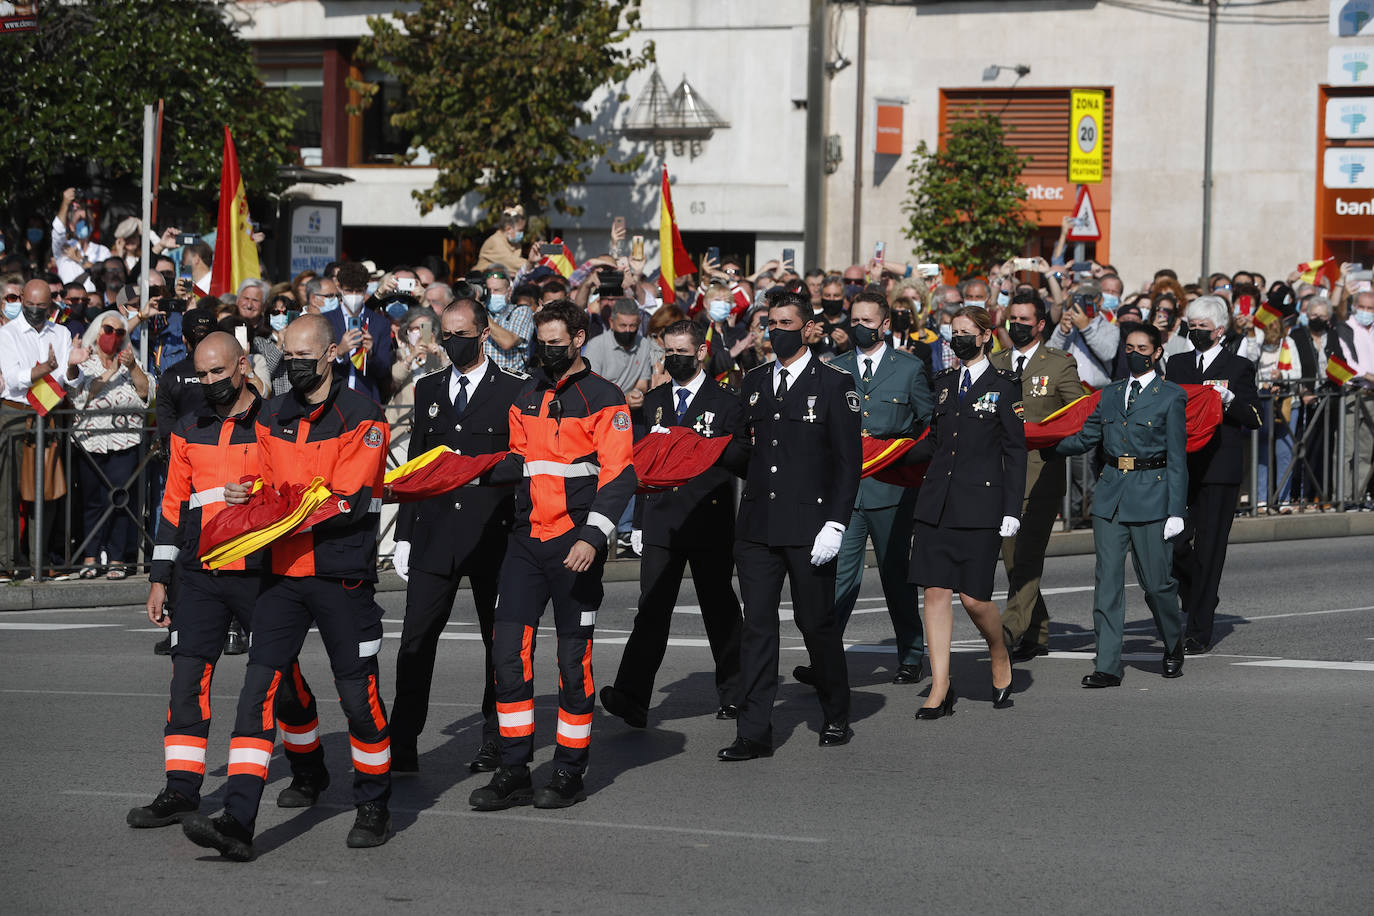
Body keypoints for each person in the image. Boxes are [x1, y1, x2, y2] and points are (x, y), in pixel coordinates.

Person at [181, 315, 393, 859]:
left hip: (341, 574)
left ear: (329, 355)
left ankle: (373, 803)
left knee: (357, 696)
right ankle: (237, 821)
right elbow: (270, 482)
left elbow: (344, 500)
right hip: (281, 575)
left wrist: (273, 505)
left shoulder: (363, 415)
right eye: (288, 355)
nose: (294, 364)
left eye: (304, 355)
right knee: (257, 694)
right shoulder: (272, 414)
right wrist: (245, 490)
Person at [128, 333, 324, 829]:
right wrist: (159, 578)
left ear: (241, 366)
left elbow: (299, 491)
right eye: (203, 374)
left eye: (219, 372)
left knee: (282, 681)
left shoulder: (276, 420)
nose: (210, 382)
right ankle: (180, 789)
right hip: (199, 574)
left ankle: (308, 767)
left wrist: (258, 491)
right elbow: (173, 506)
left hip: (261, 573)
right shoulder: (188, 427)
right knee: (187, 677)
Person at [468, 300, 635, 811]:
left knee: (571, 659)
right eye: (542, 342)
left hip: (575, 543)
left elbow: (619, 473)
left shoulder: (606, 398)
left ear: (580, 339)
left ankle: (567, 770)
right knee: (508, 656)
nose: (547, 351)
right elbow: (520, 461)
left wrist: (594, 536)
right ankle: (514, 768)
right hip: (525, 542)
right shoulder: (528, 392)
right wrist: (462, 470)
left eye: (557, 343)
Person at [718, 291, 861, 761]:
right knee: (757, 627)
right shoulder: (754, 381)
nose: (775, 331)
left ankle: (836, 712)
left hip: (810, 525)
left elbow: (847, 463)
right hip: (758, 525)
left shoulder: (836, 383)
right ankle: (753, 731)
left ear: (806, 328)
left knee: (815, 624)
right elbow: (743, 451)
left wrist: (835, 524)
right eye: (770, 323)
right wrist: (705, 442)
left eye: (784, 323)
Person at [390, 298, 528, 775]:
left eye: (461, 333)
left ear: (484, 334)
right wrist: (404, 535)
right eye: (445, 335)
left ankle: (495, 738)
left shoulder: (514, 391)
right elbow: (417, 468)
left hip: (494, 535)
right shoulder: (427, 388)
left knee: (500, 645)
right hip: (435, 535)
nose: (452, 343)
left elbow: (521, 464)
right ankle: (402, 741)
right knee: (415, 642)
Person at [600, 320, 744, 728]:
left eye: (683, 351)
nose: (675, 359)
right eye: (669, 352)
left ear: (701, 352)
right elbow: (646, 461)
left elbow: (740, 458)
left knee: (720, 609)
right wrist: (641, 520)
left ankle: (736, 692)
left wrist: (710, 449)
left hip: (707, 517)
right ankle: (632, 696)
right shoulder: (656, 399)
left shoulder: (727, 402)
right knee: (651, 609)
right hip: (663, 518)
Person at [795, 291, 932, 686]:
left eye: (867, 322)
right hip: (847, 490)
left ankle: (910, 653)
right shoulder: (835, 368)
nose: (859, 327)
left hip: (890, 487)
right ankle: (825, 658)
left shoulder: (908, 368)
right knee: (839, 575)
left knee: (895, 574)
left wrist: (907, 459)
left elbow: (927, 425)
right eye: (854, 320)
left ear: (885, 325)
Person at [907, 306, 1024, 716]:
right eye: (951, 331)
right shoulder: (942, 383)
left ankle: (998, 650)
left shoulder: (1005, 385)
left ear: (985, 336)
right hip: (938, 501)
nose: (956, 339)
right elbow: (932, 443)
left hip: (980, 505)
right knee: (935, 593)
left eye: (964, 332)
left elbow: (1015, 450)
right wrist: (886, 451)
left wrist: (1012, 509)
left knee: (975, 599)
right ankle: (940, 686)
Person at [1055, 324, 1188, 686]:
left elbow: (1177, 457)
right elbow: (1087, 437)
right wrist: (1040, 442)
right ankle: (1107, 665)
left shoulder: (1170, 396)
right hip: (1112, 495)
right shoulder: (1110, 393)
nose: (1134, 353)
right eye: (1129, 347)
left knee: (1157, 584)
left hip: (1152, 494)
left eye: (1143, 348)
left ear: (1157, 353)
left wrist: (1177, 510)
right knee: (1107, 583)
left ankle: (1173, 642)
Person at [1166, 295, 1262, 654]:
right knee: (1172, 543)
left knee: (1209, 550)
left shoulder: (1238, 366)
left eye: (1202, 328)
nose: (1195, 333)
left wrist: (1228, 399)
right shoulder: (1177, 364)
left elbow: (1254, 417)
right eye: (1191, 327)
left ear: (1220, 330)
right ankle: (1197, 593)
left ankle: (1199, 629)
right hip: (1183, 467)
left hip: (1219, 468)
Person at [990, 293, 1082, 661]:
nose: (1017, 325)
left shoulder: (1059, 364)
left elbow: (1077, 416)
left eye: (1025, 320)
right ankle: (1038, 630)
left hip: (1039, 475)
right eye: (1013, 318)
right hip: (998, 476)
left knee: (1026, 557)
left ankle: (1007, 631)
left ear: (1041, 325)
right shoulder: (994, 363)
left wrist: (1052, 440)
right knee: (1012, 560)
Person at [0, 280, 89, 578]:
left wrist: (73, 365)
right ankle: (8, 561)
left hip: (48, 414)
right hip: (15, 414)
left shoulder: (61, 333)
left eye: (42, 307)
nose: (36, 311)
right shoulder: (7, 333)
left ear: (51, 304)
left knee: (48, 491)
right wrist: (46, 368)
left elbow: (71, 378)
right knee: (9, 492)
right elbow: (13, 379)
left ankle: (40, 560)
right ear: (22, 300)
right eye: (30, 306)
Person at [69, 308, 151, 580]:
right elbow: (83, 397)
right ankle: (90, 557)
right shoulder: (84, 361)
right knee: (93, 502)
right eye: (108, 330)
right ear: (97, 331)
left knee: (120, 500)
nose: (113, 336)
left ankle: (117, 559)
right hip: (90, 443)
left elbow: (145, 392)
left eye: (119, 332)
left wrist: (130, 367)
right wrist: (110, 371)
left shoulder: (131, 361)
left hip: (124, 442)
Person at [326, 262, 393, 402]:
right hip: (333, 398)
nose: (354, 295)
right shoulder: (326, 320)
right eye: (349, 290)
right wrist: (339, 352)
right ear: (339, 288)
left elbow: (384, 371)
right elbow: (317, 365)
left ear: (366, 289)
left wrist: (370, 355)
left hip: (366, 398)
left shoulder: (380, 323)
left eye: (359, 291)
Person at [1336, 291, 1374, 508]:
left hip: (1371, 396)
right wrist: (1367, 375)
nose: (1366, 312)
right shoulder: (1344, 328)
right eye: (1363, 307)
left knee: (1366, 450)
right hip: (1352, 394)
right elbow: (1345, 362)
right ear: (1355, 306)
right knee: (1346, 449)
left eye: (1371, 309)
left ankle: (1357, 496)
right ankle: (1343, 497)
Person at [481, 267, 535, 374]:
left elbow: (508, 342)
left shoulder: (521, 311)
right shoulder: (474, 313)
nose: (492, 295)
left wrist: (479, 312)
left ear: (509, 291)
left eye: (497, 290)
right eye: (488, 291)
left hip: (511, 383)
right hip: (481, 382)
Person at [475, 206, 531, 273]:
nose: (522, 233)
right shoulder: (495, 241)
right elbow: (512, 263)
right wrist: (534, 264)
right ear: (508, 229)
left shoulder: (515, 244)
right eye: (520, 230)